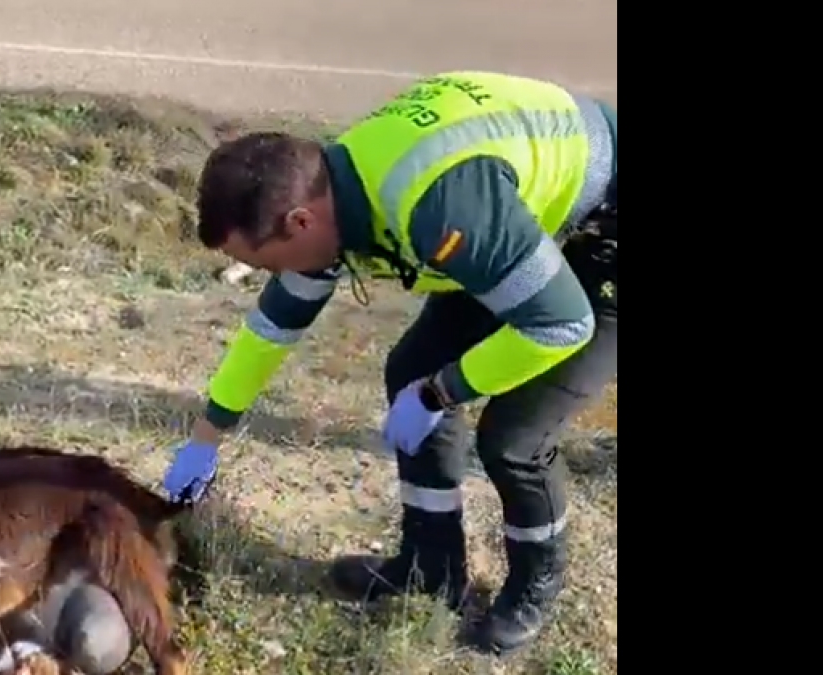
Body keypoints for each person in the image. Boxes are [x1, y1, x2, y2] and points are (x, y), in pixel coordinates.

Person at [161, 71, 617, 655]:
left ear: (300, 222)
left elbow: (560, 324)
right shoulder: (329, 193)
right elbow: (272, 328)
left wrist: (441, 394)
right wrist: (206, 437)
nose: (276, 275)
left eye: (267, 262)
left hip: (604, 225)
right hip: (519, 214)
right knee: (410, 368)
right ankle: (432, 567)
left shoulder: (437, 209)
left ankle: (532, 588)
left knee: (514, 438)